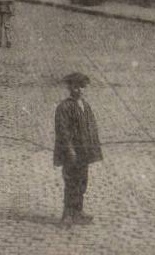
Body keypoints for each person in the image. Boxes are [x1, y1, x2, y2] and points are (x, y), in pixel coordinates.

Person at [53, 71, 103, 226]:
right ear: (69, 87)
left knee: (82, 181)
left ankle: (78, 211)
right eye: (76, 87)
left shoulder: (85, 106)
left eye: (82, 87)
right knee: (71, 181)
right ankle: (67, 213)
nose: (79, 90)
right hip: (71, 153)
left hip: (84, 152)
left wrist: (93, 146)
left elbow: (91, 128)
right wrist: (70, 150)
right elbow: (63, 131)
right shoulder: (64, 107)